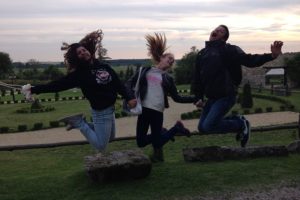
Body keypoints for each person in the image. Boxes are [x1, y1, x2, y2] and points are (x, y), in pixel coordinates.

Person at [21, 30, 136, 152]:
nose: (83, 53)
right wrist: (34, 89)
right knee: (101, 146)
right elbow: (56, 85)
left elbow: (118, 84)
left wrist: (129, 97)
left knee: (111, 137)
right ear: (77, 58)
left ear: (88, 51)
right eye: (79, 53)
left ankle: (80, 123)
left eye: (84, 50)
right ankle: (79, 123)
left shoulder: (103, 66)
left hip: (110, 109)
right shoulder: (79, 75)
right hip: (101, 112)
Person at [192, 25, 283, 147]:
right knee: (202, 128)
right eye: (216, 29)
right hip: (211, 98)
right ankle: (237, 120)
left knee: (208, 126)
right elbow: (198, 78)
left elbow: (249, 60)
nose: (217, 31)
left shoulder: (230, 50)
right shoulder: (201, 54)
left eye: (221, 31)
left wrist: (271, 56)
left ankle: (240, 124)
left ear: (224, 38)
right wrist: (199, 97)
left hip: (226, 95)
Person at [125, 33, 196, 162]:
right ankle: (167, 131)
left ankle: (175, 129)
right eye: (169, 58)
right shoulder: (144, 70)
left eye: (172, 61)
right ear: (162, 57)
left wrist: (195, 98)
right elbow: (128, 83)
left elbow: (177, 97)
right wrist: (130, 98)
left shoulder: (168, 79)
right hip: (144, 110)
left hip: (157, 111)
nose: (170, 61)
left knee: (157, 144)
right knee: (140, 142)